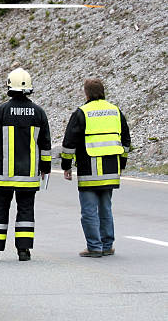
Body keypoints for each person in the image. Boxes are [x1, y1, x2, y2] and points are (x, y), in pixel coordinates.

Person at [0, 68, 52, 262]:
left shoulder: (1, 111)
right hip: (28, 177)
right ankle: (24, 251)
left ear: (9, 86)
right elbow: (45, 146)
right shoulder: (38, 113)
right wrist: (45, 168)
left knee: (0, 209)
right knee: (26, 210)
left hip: (4, 175)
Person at [61, 78, 131, 258]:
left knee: (89, 211)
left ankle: (94, 247)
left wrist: (66, 165)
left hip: (89, 170)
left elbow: (69, 143)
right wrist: (121, 164)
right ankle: (107, 245)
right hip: (110, 169)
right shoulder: (115, 111)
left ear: (86, 93)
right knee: (106, 208)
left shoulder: (82, 113)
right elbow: (125, 142)